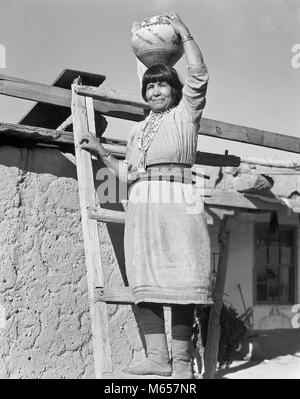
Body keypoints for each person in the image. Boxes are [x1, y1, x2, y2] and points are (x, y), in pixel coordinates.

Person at [80, 12, 212, 379]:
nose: (155, 91)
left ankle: (183, 362)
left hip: (180, 198)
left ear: (174, 90)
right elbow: (126, 176)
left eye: (162, 86)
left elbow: (199, 74)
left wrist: (185, 33)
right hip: (143, 204)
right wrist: (101, 152)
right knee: (145, 278)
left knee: (184, 278)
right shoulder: (137, 131)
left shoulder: (187, 114)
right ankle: (158, 357)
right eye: (150, 87)